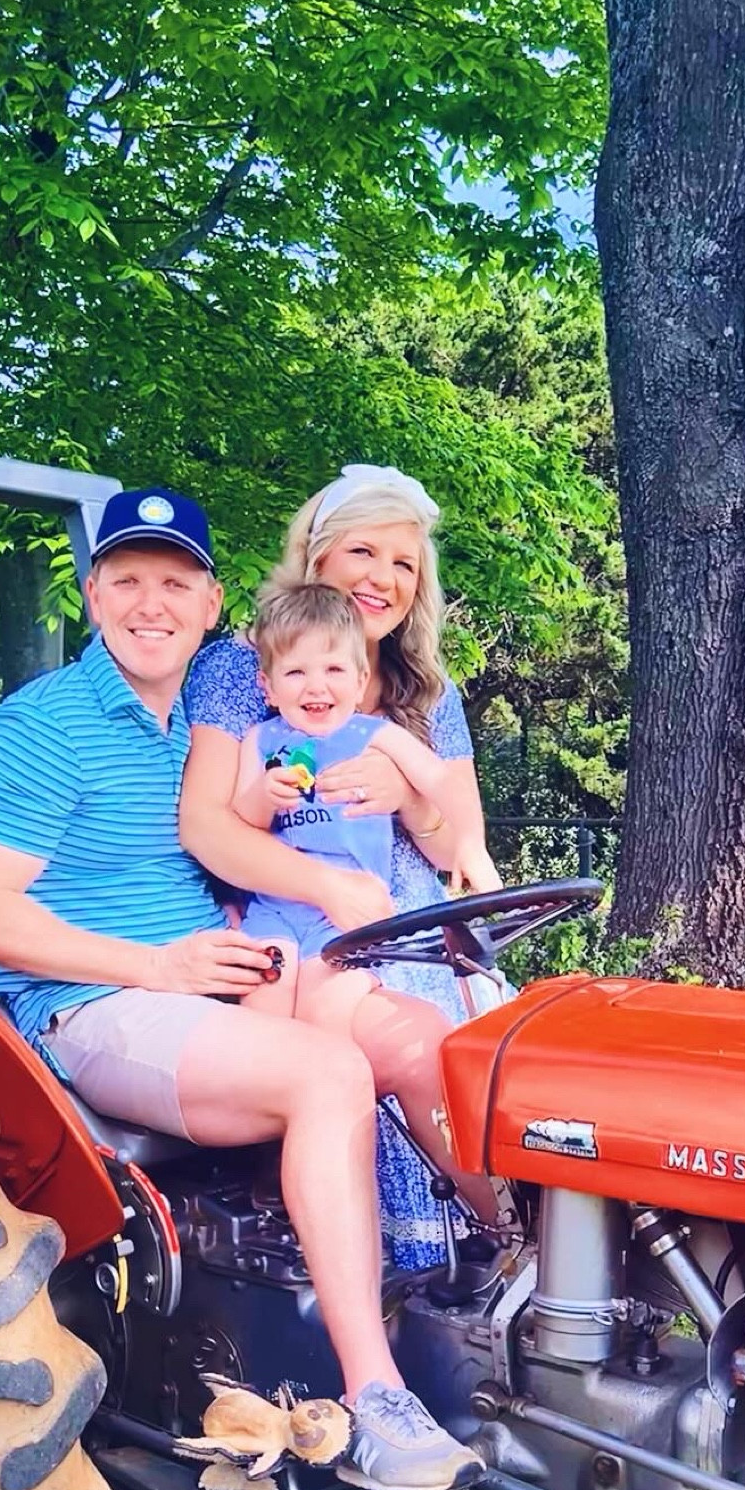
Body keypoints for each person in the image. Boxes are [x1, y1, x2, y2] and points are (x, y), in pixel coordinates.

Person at [0, 486, 483, 1490]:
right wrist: (159, 965)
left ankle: (508, 1283)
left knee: (438, 1044)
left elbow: (305, 817)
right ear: (93, 594)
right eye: (128, 581)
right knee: (328, 1071)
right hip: (97, 1000)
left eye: (175, 584)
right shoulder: (39, 728)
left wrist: (397, 794)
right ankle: (377, 1396)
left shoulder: (211, 717)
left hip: (223, 978)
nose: (152, 604)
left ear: (210, 602)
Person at [180, 463, 496, 1269]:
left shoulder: (425, 689)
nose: (383, 578)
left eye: (404, 564)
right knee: (365, 1040)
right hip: (294, 910)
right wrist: (326, 886)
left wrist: (408, 797)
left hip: (407, 917)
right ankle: (356, 1257)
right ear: (316, 557)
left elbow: (456, 841)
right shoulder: (242, 668)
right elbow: (210, 825)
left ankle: (505, 1247)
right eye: (363, 551)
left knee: (484, 1061)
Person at [230, 580, 501, 1223]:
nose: (315, 686)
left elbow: (445, 782)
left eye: (332, 670)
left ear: (359, 680)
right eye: (296, 672)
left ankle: (332, 1172)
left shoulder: (372, 736)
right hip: (275, 909)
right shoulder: (261, 741)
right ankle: (268, 1178)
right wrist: (265, 795)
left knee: (326, 1023)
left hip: (346, 919)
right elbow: (239, 817)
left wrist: (459, 837)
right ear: (269, 685)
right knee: (261, 1019)